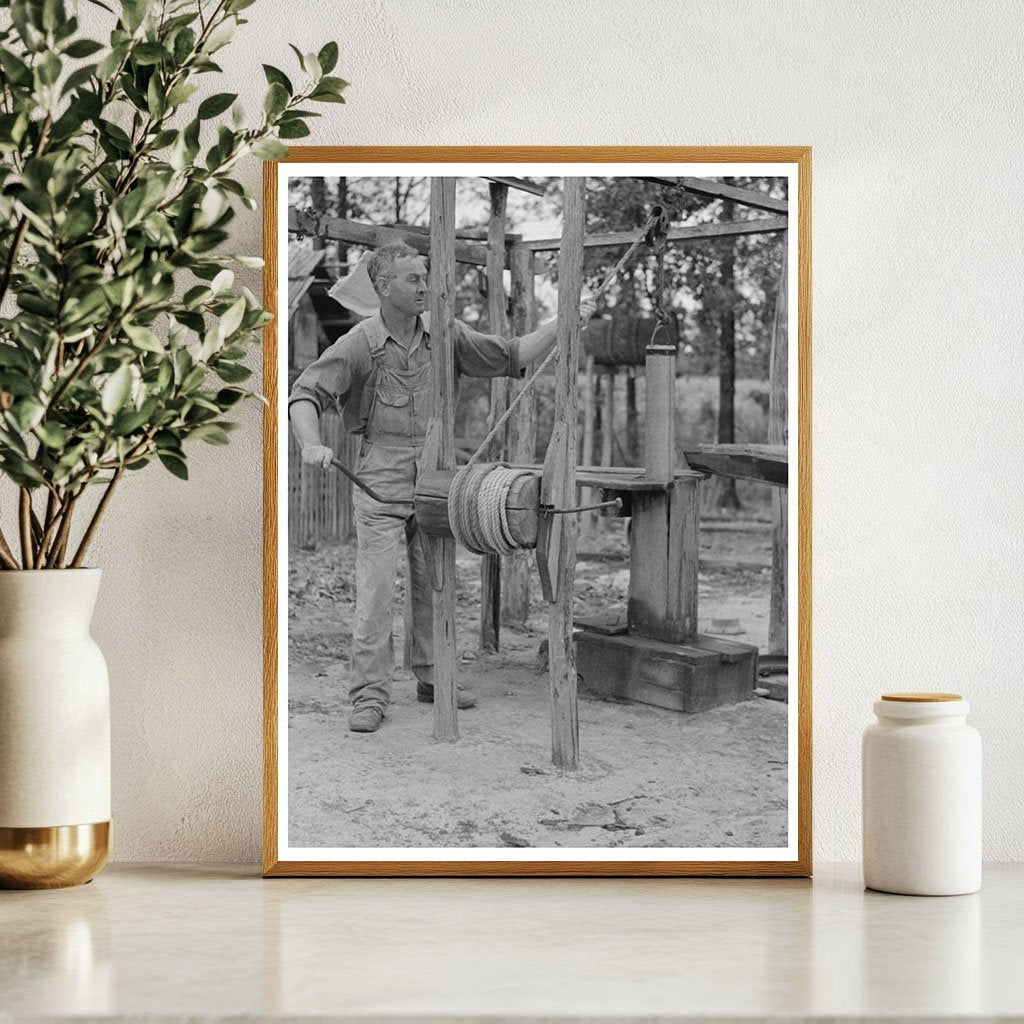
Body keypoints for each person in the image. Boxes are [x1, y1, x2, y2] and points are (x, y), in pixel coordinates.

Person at [290, 240, 593, 733]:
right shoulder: (359, 344)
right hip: (379, 487)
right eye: (414, 279)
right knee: (376, 593)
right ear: (383, 286)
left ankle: (433, 676)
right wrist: (309, 443)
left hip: (435, 483)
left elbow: (511, 357)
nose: (425, 286)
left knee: (437, 585)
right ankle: (368, 695)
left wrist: (564, 323)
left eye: (426, 276)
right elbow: (304, 394)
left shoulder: (446, 334)